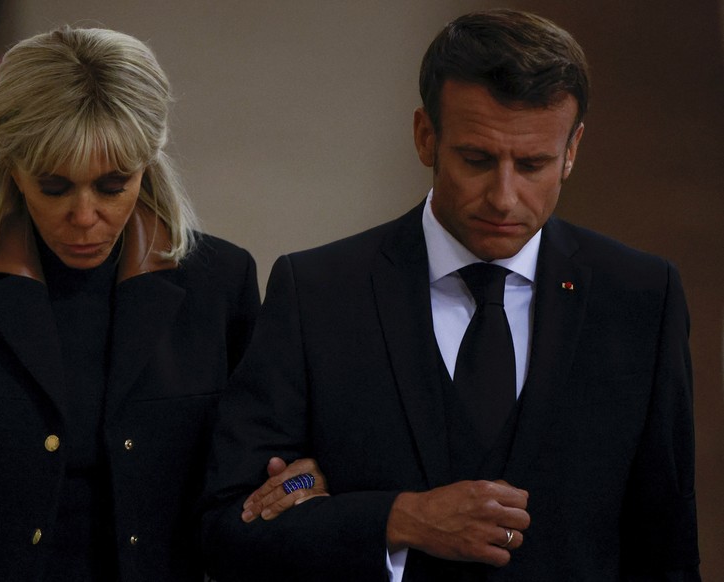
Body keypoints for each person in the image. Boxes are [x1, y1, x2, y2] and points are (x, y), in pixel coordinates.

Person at [201, 9, 700, 581]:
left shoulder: (640, 296)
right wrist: (397, 519)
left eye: (533, 164)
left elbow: (667, 550)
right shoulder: (316, 294)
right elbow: (226, 531)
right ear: (425, 136)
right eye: (477, 160)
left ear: (573, 149)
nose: (504, 198)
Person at [0, 25, 275, 582]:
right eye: (54, 187)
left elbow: (250, 480)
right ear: (12, 167)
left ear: (146, 165)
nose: (83, 216)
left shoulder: (221, 283)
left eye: (112, 186)